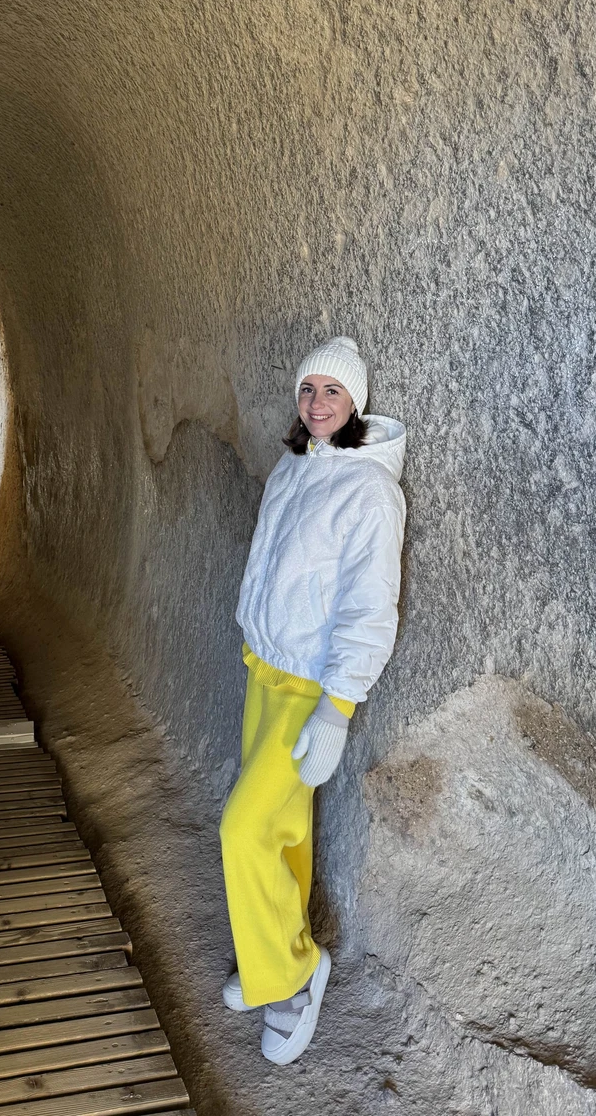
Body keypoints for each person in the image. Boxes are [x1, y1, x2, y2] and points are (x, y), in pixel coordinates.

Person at [218, 335, 406, 1065]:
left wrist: (337, 708)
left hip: (307, 687)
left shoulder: (371, 493)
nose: (317, 403)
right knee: (283, 831)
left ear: (355, 402)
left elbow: (369, 609)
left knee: (243, 827)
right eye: (308, 391)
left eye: (332, 392)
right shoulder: (291, 469)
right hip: (263, 667)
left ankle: (293, 976)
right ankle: (277, 954)